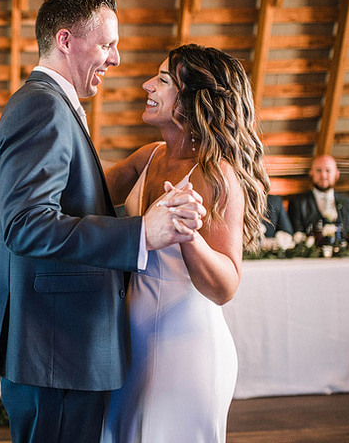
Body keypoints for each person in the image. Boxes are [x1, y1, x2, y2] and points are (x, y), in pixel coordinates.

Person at [0, 0, 206, 443]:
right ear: (65, 41)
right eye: (106, 44)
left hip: (56, 347)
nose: (117, 59)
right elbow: (26, 226)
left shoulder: (51, 105)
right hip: (58, 349)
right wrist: (142, 232)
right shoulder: (43, 107)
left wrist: (133, 191)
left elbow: (68, 205)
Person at [101, 44, 270, 442]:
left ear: (193, 99)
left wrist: (189, 237)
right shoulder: (148, 156)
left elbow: (225, 286)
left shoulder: (217, 175)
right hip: (131, 344)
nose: (147, 85)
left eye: (161, 80)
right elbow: (83, 197)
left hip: (187, 349)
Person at [287, 154, 349, 235]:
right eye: (318, 170)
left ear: (337, 174)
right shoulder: (297, 204)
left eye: (328, 170)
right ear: (311, 173)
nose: (323, 175)